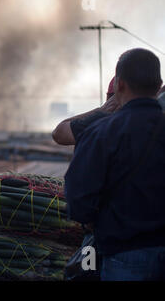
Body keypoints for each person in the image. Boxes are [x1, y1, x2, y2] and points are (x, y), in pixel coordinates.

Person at [65, 48, 165, 281]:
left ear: (119, 84)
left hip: (123, 257)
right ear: (158, 84)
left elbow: (78, 200)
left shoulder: (101, 132)